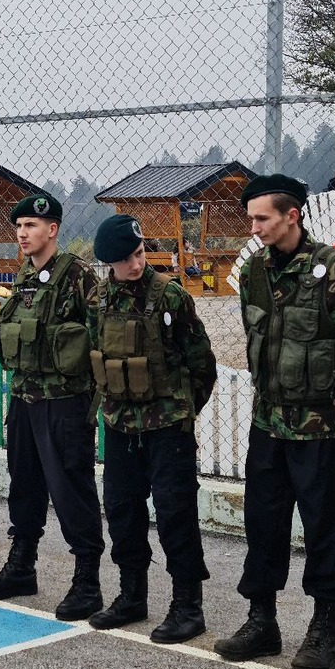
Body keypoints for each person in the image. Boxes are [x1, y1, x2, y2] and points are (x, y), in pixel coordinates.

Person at [218, 173, 335, 669]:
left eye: (262, 218)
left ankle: (325, 627)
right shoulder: (254, 272)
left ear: (293, 215)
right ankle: (261, 620)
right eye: (251, 219)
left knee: (327, 528)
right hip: (268, 423)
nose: (254, 228)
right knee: (263, 523)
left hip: (322, 428)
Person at [87, 213, 217, 643]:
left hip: (167, 426)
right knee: (122, 511)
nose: (136, 264)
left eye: (140, 254)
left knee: (176, 513)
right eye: (126, 259)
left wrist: (182, 411)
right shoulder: (98, 299)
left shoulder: (171, 296)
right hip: (119, 424)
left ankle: (188, 606)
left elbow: (202, 363)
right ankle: (132, 595)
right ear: (109, 262)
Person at [0, 191, 104, 617]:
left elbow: (101, 337)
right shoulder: (23, 278)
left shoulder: (78, 276)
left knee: (71, 490)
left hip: (64, 403)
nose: (22, 233)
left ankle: (87, 580)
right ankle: (21, 566)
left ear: (52, 230)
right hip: (24, 399)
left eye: (30, 225)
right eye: (18, 226)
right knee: (24, 486)